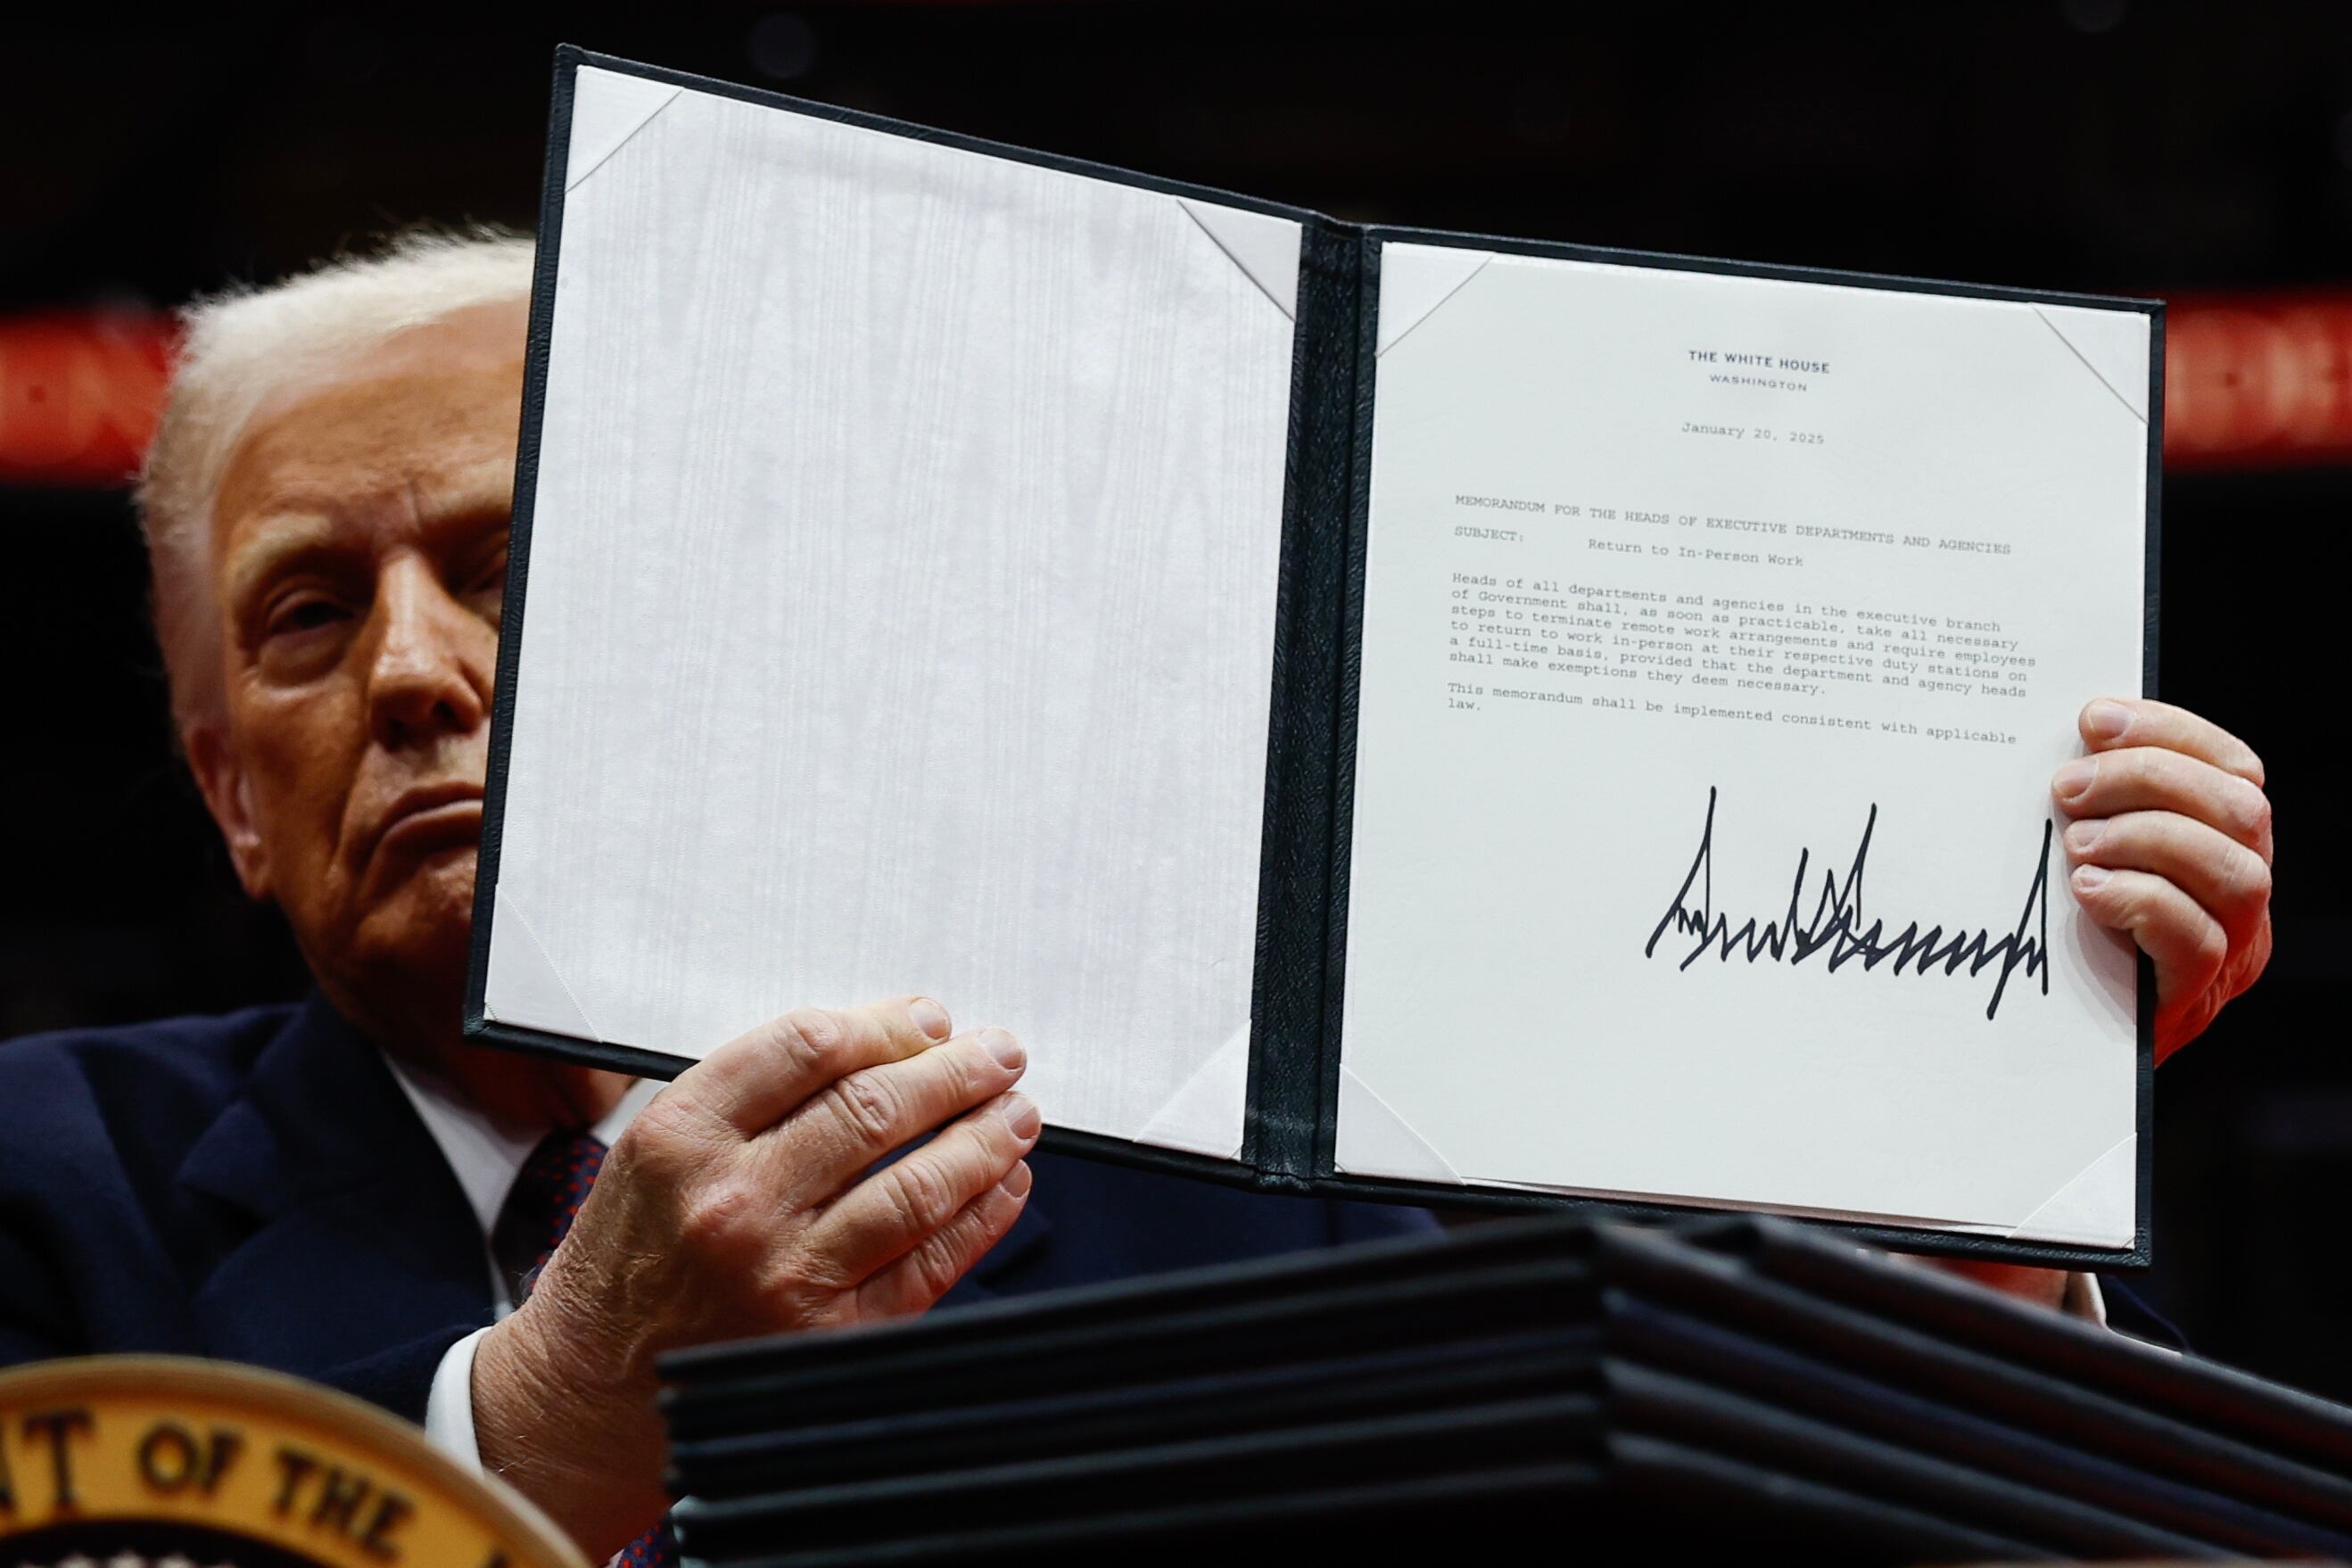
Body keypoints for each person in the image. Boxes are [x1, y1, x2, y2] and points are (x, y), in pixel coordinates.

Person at [0, 234, 2275, 1562]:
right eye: (307, 615)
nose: (414, 671)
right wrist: (540, 1425)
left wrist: (1963, 1222)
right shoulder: (40, 1193)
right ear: (226, 792)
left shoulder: (1226, 1195)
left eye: (506, 566)